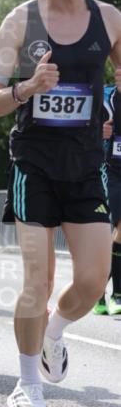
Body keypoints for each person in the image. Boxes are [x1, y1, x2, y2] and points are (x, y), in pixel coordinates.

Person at [0, 0, 121, 407]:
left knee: (93, 281)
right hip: (33, 164)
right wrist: (26, 89)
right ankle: (25, 385)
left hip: (85, 166)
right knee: (37, 278)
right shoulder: (20, 21)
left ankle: (53, 334)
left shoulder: (110, 19)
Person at [93, 84, 121, 314]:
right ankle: (116, 295)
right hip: (109, 168)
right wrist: (97, 131)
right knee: (115, 226)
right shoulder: (103, 95)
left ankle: (99, 290)